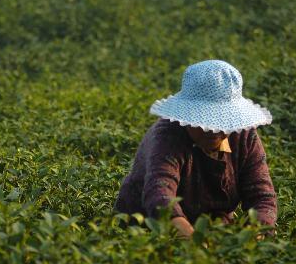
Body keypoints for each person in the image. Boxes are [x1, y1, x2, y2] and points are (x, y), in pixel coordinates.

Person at [114, 59, 277, 239]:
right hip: (144, 227)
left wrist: (254, 234)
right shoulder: (167, 134)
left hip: (212, 227)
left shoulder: (245, 137)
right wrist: (191, 239)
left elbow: (262, 197)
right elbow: (160, 193)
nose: (213, 130)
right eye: (204, 121)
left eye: (222, 121)